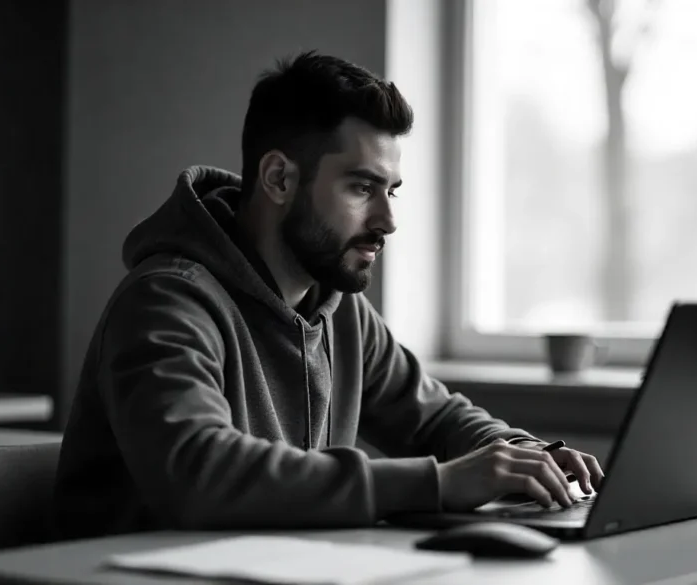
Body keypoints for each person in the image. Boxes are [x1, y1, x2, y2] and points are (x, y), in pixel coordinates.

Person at [54, 51, 604, 539]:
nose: (388, 220)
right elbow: (201, 473)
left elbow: (435, 420)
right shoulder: (166, 302)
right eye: (362, 188)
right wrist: (439, 483)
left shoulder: (341, 311)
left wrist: (527, 456)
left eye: (391, 191)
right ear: (278, 179)